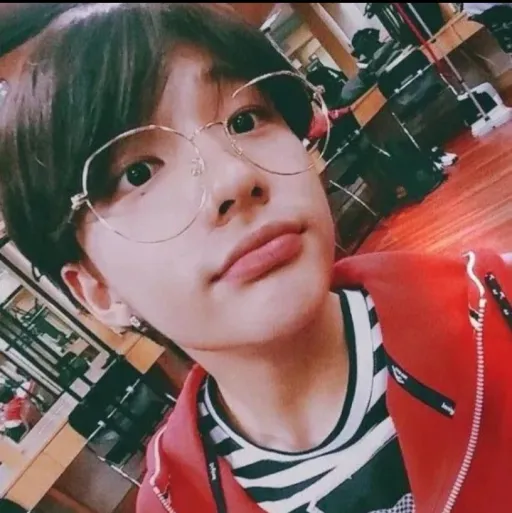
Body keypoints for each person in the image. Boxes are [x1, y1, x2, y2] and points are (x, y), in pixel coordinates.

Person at [0, 4, 510, 513]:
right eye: (139, 173)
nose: (234, 178)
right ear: (98, 290)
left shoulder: (496, 310)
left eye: (245, 119)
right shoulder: (176, 503)